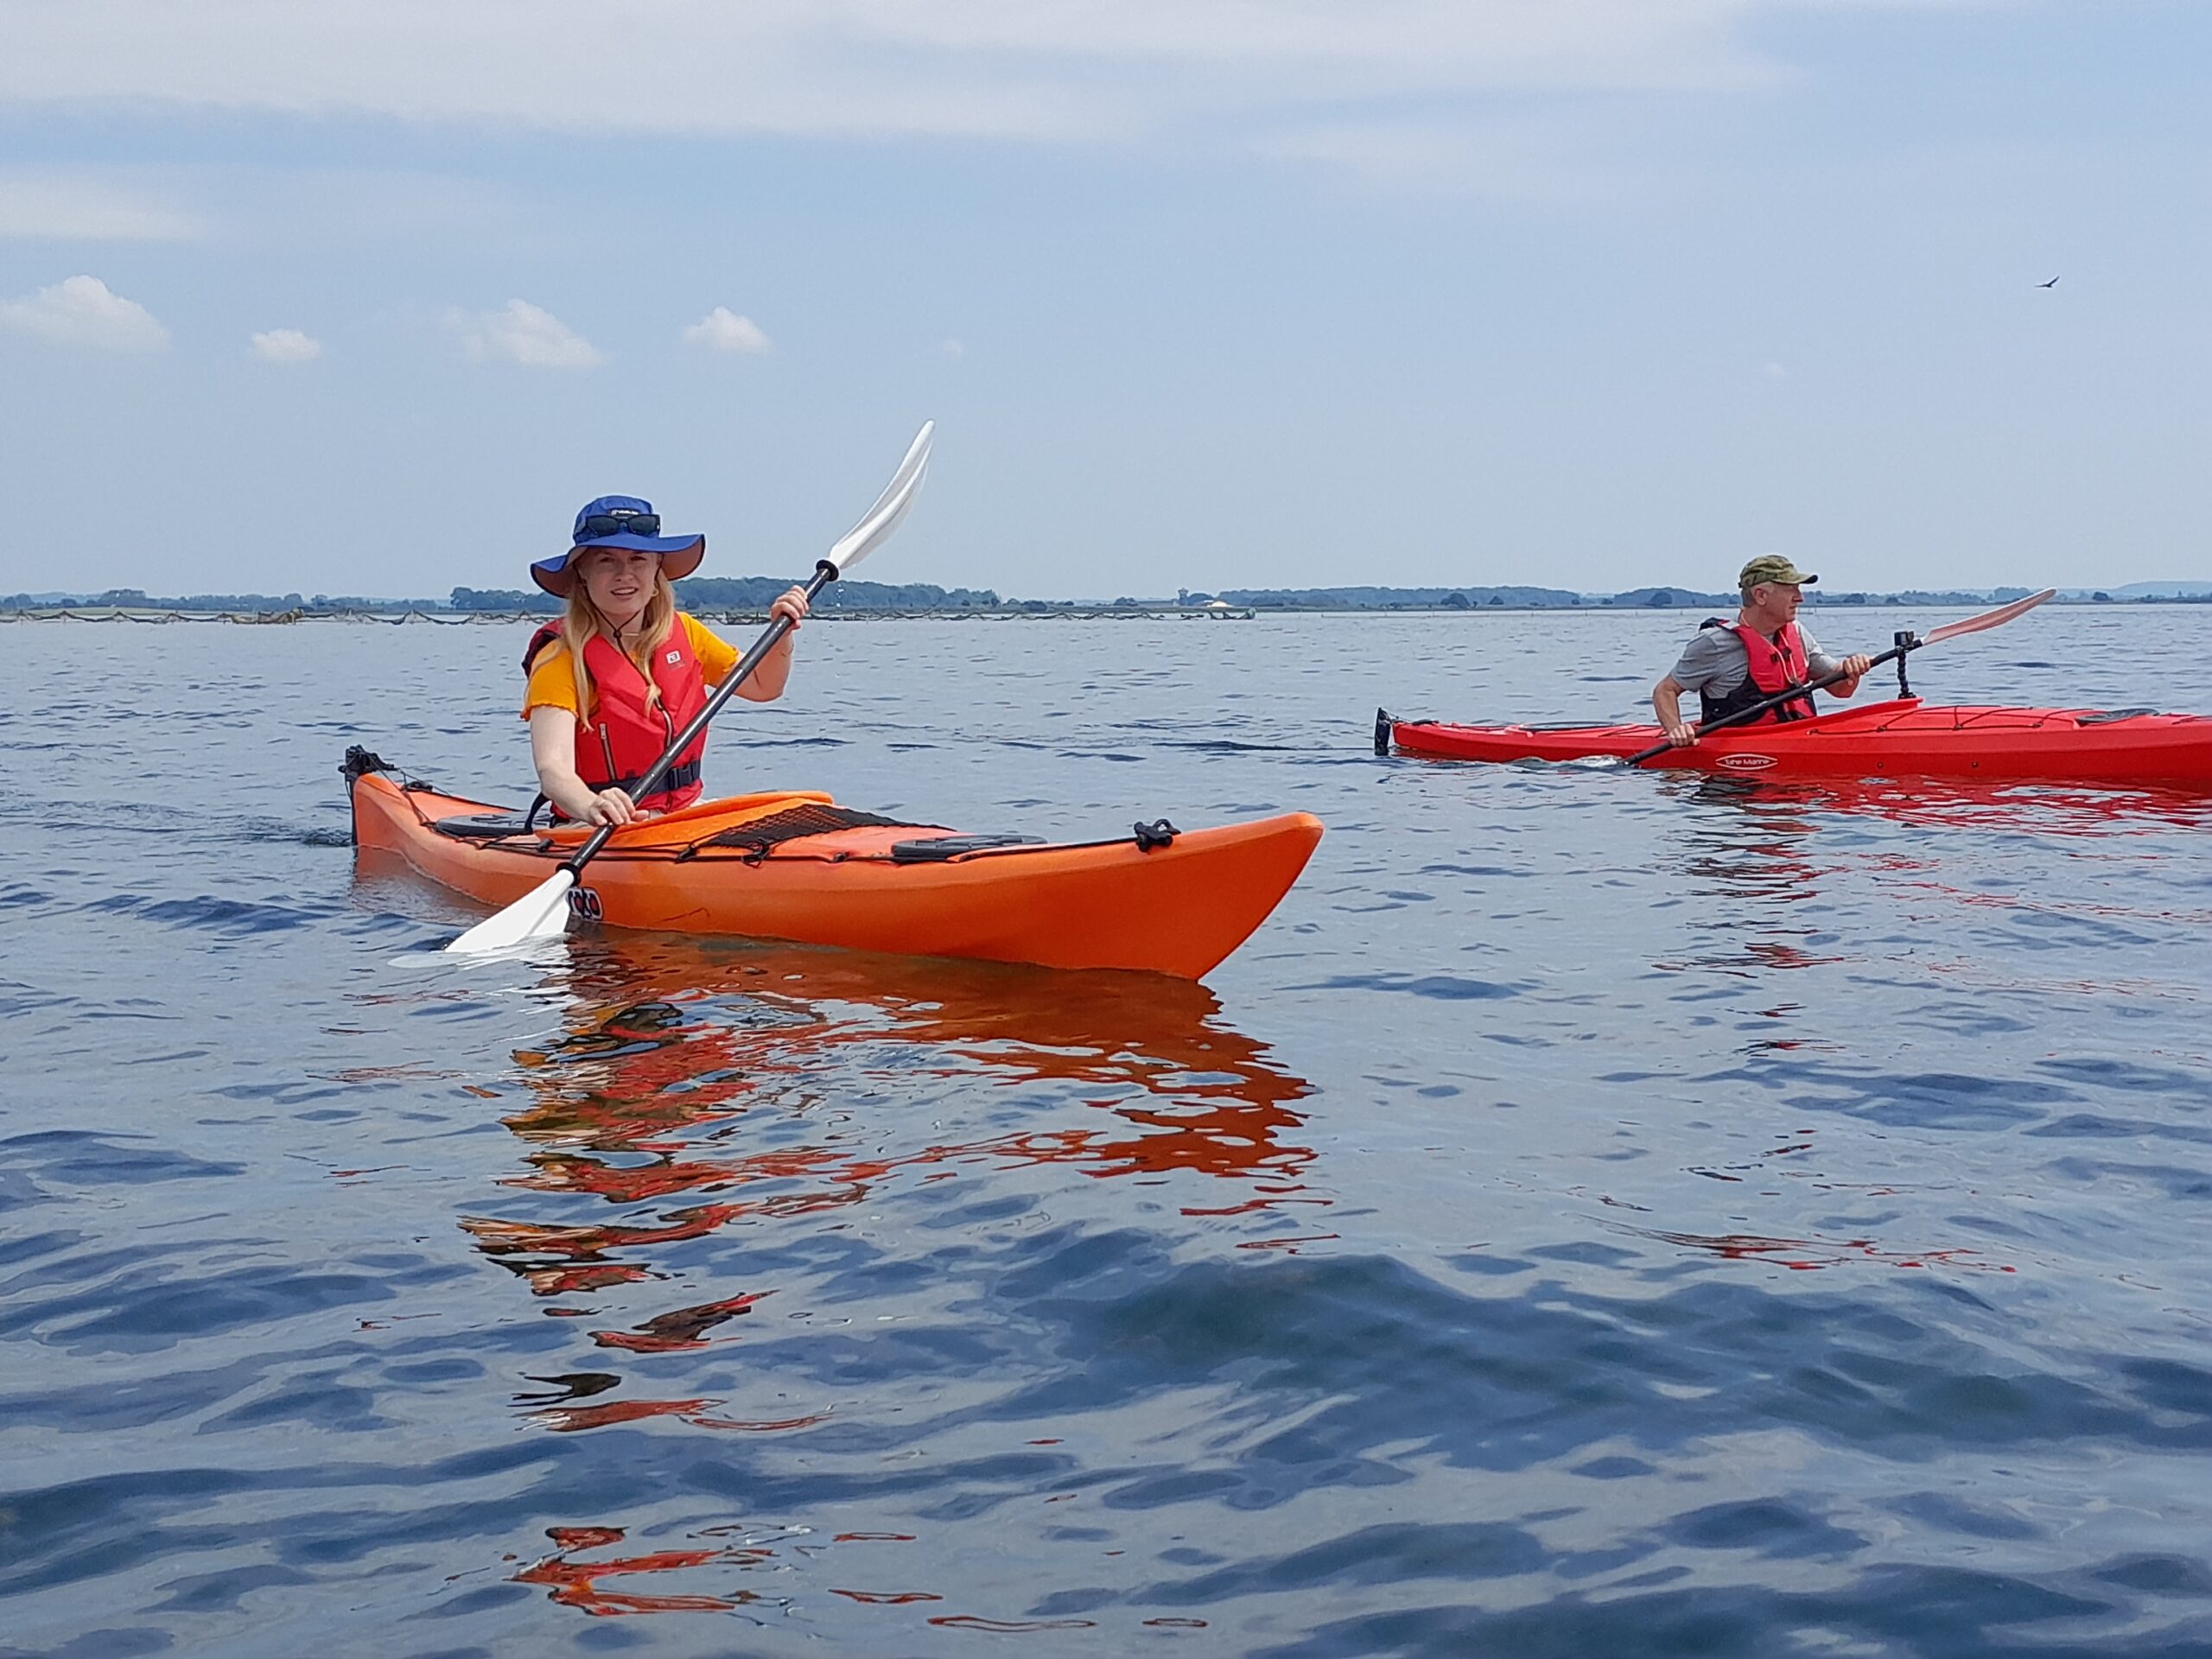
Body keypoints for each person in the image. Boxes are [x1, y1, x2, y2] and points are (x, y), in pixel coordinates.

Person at [521, 495, 809, 825]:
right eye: (606, 561)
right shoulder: (560, 655)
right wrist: (591, 805)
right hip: (599, 826)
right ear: (582, 573)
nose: (624, 574)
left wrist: (782, 635)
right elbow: (553, 770)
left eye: (638, 559)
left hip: (685, 813)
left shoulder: (686, 631)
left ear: (657, 567)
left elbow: (764, 686)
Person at [1651, 556, 1874, 747]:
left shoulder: (1796, 632)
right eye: (1790, 589)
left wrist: (1850, 669)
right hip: (1734, 775)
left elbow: (1840, 689)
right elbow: (1665, 690)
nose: (1800, 597)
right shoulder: (1715, 642)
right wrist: (1675, 729)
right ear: (1760, 595)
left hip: (1796, 744)